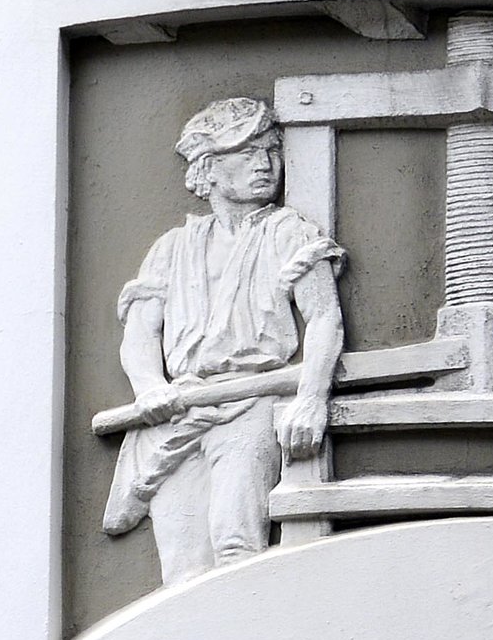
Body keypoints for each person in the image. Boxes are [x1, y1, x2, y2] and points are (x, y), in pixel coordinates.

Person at [102, 97, 345, 586]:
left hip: (249, 403)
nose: (265, 163)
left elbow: (324, 319)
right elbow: (140, 335)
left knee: (236, 545)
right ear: (208, 169)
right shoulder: (172, 248)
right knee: (181, 566)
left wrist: (312, 399)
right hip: (179, 409)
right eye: (247, 151)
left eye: (271, 150)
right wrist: (150, 386)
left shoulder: (288, 233)